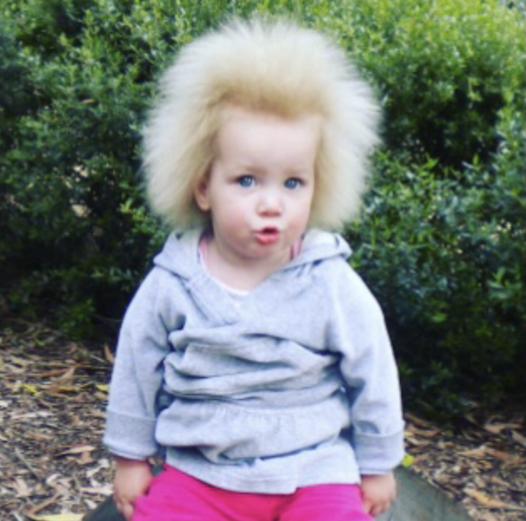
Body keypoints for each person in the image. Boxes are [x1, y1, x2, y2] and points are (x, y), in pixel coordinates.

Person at [103, 16, 405, 521]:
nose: (272, 204)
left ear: (320, 183)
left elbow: (373, 371)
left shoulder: (329, 281)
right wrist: (130, 457)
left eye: (293, 183)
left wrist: (378, 463)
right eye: (247, 181)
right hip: (200, 472)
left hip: (314, 468)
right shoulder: (173, 283)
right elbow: (136, 367)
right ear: (203, 186)